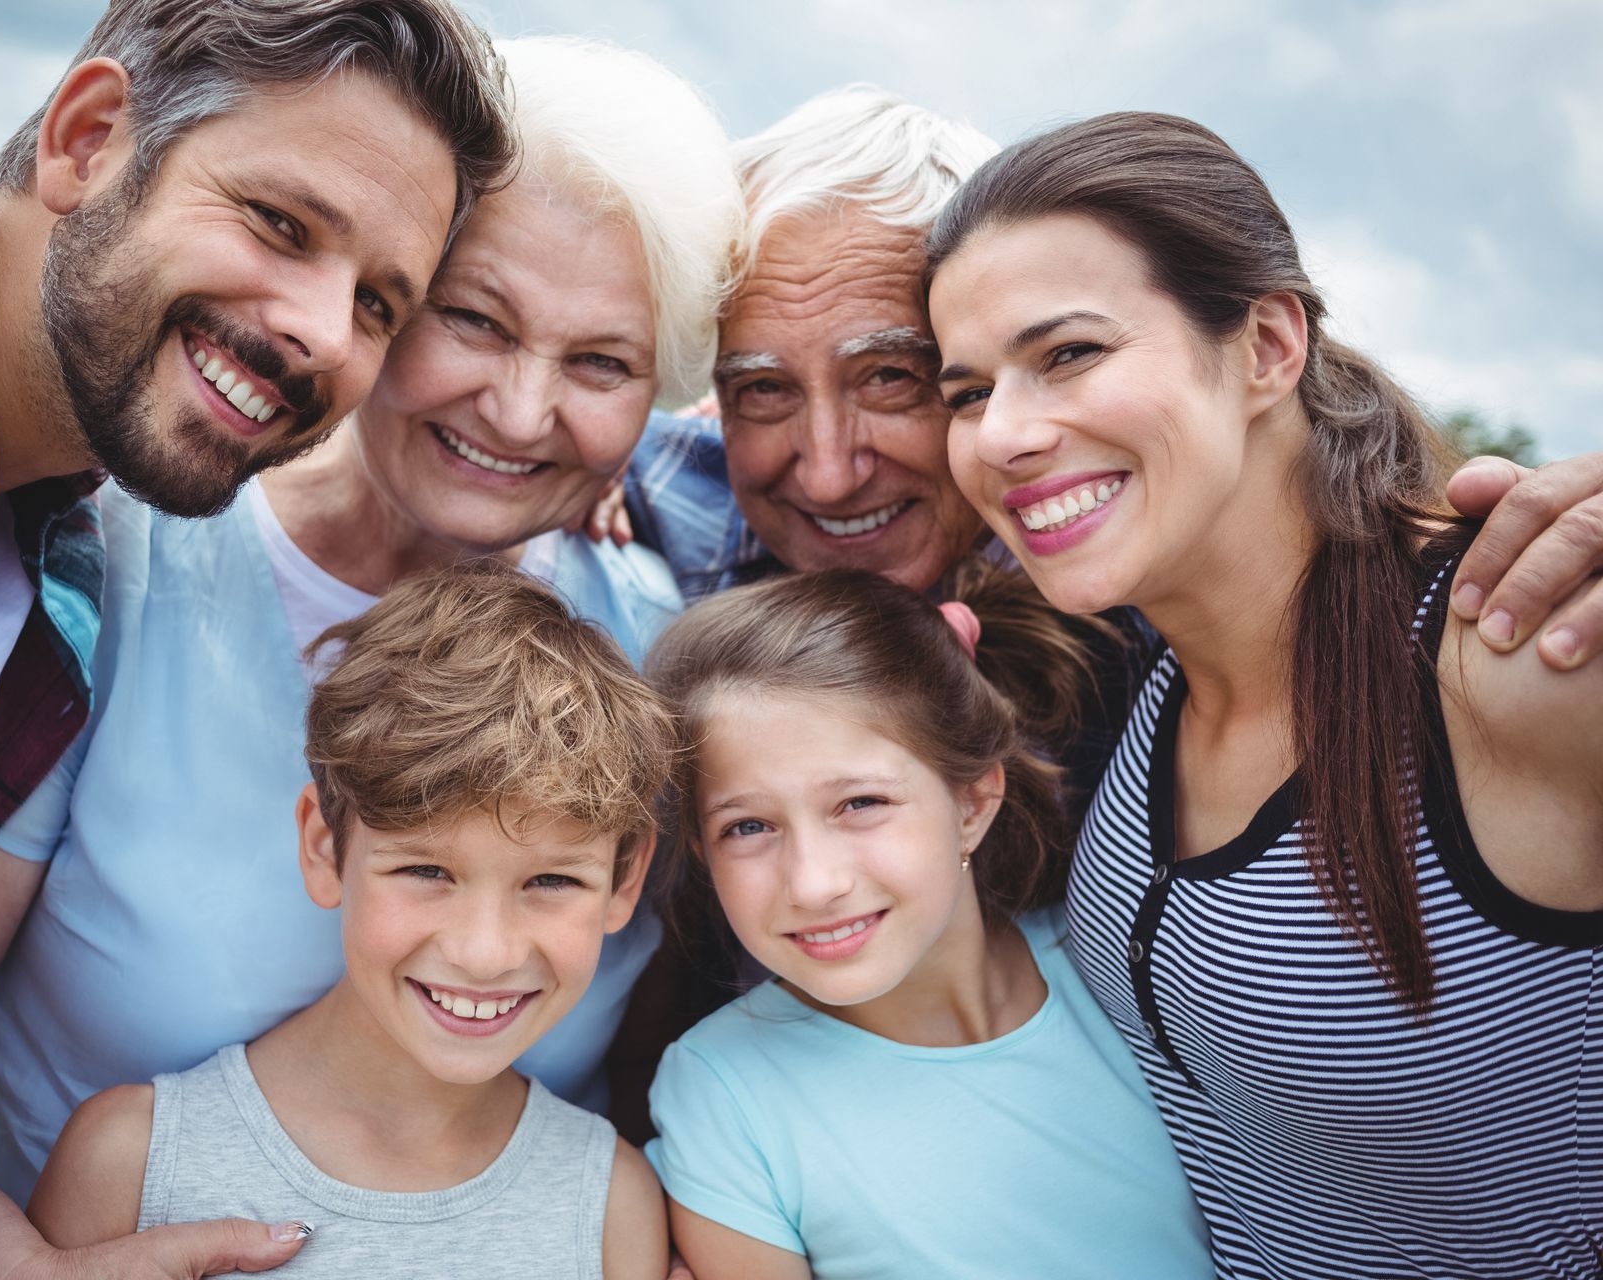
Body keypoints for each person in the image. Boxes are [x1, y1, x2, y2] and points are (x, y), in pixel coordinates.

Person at [0, 33, 739, 1279]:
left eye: (601, 362)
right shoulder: (117, 568)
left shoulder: (658, 655)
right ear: (384, 296)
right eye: (472, 318)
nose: (522, 411)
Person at [0, 1, 512, 1274]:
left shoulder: (60, 578)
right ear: (89, 138)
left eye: (381, 304)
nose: (324, 335)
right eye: (282, 225)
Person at [925, 110, 1602, 1279]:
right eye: (967, 391)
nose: (1007, 433)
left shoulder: (1502, 648)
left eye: (1071, 353)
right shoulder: (1137, 666)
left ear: (1270, 345)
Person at [616, 87, 1603, 657]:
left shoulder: (1145, 557)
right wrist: (568, 484)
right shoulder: (678, 495)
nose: (826, 471)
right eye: (763, 390)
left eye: (895, 381)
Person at [27, 561, 675, 1279]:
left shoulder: (613, 1205)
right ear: (324, 848)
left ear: (625, 877)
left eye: (551, 880)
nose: (484, 953)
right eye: (427, 871)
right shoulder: (129, 1162)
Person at [640, 568, 1212, 1279]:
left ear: (971, 803)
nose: (815, 883)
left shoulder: (1122, 971)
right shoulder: (721, 1093)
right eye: (748, 825)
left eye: (861, 804)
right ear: (700, 849)